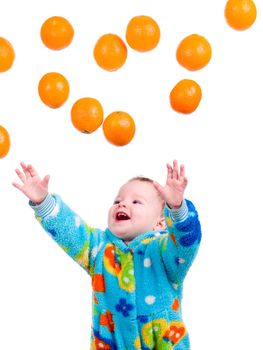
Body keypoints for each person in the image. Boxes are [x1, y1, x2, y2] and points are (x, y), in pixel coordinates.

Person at [12, 160, 201, 350]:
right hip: (111, 341)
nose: (122, 204)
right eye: (118, 201)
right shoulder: (98, 248)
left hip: (162, 342)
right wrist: (43, 201)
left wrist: (177, 209)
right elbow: (70, 231)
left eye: (136, 202)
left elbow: (187, 243)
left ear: (160, 223)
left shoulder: (164, 252)